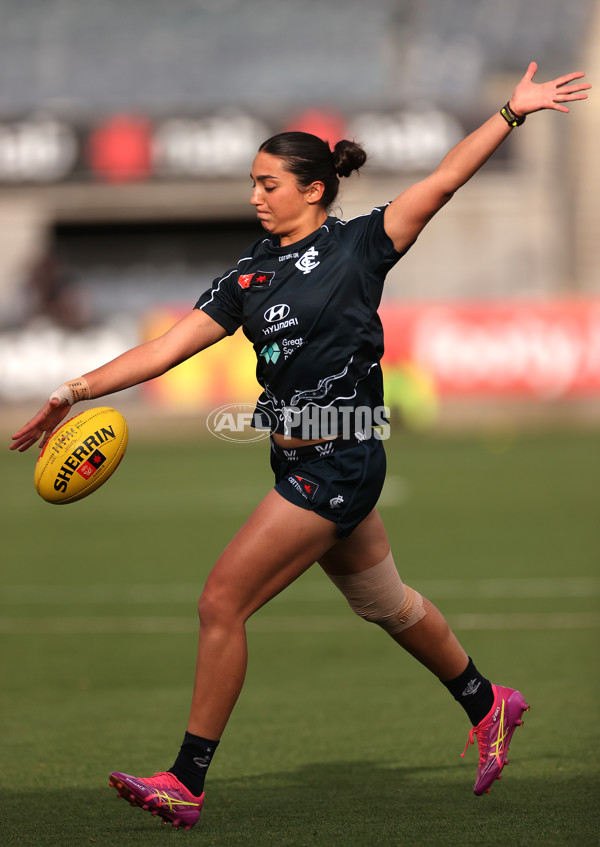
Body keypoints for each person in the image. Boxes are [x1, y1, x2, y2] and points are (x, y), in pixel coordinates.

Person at [11, 62, 590, 831]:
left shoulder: (361, 246)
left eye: (269, 182)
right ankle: (490, 704)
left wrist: (511, 114)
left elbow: (446, 179)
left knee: (221, 600)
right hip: (294, 457)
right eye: (253, 182)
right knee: (384, 602)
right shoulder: (246, 274)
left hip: (341, 460)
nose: (255, 195)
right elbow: (167, 349)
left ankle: (187, 779)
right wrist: (73, 390)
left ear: (313, 189)